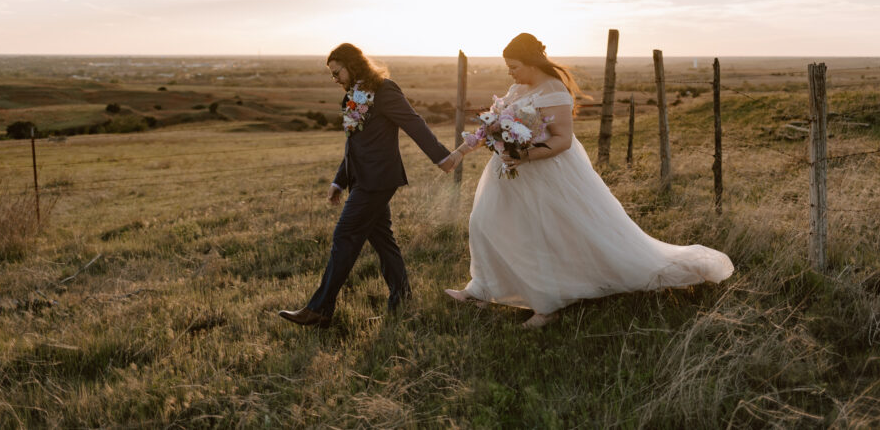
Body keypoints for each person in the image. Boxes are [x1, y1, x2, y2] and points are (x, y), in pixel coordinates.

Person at [444, 33, 733, 328]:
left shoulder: (555, 91)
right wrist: (458, 153)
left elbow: (563, 140)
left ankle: (546, 307)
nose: (511, 73)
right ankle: (481, 289)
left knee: (541, 234)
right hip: (508, 173)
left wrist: (524, 156)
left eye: (514, 66)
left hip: (545, 173)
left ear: (531, 63)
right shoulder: (517, 87)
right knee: (484, 223)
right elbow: (492, 127)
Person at [280, 43, 463, 327]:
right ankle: (402, 301)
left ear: (353, 65)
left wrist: (442, 158)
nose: (335, 79)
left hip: (378, 179)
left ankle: (320, 309)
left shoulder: (385, 90)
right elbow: (354, 142)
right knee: (383, 241)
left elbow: (413, 123)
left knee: (344, 236)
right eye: (332, 75)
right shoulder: (353, 96)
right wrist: (338, 181)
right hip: (360, 179)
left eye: (337, 72)